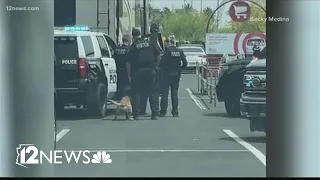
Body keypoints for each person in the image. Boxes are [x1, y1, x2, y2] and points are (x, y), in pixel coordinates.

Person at [126, 28, 161, 120]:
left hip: (138, 72)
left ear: (133, 36)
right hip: (150, 71)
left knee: (136, 92)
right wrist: (156, 67)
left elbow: (128, 62)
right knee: (152, 92)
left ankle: (136, 114)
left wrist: (129, 75)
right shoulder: (150, 43)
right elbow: (158, 55)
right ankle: (155, 114)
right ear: (140, 35)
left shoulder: (134, 46)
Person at [159, 36, 187, 117]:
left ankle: (163, 112)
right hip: (176, 74)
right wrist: (180, 69)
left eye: (166, 44)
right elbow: (185, 63)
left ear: (169, 43)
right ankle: (175, 112)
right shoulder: (180, 51)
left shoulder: (167, 51)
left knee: (165, 94)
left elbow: (161, 63)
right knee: (174, 93)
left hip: (166, 74)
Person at [113, 35, 131, 100]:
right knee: (125, 88)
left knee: (118, 86)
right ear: (129, 41)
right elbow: (129, 62)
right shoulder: (128, 50)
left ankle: (117, 98)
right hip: (125, 71)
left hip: (116, 71)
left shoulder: (116, 49)